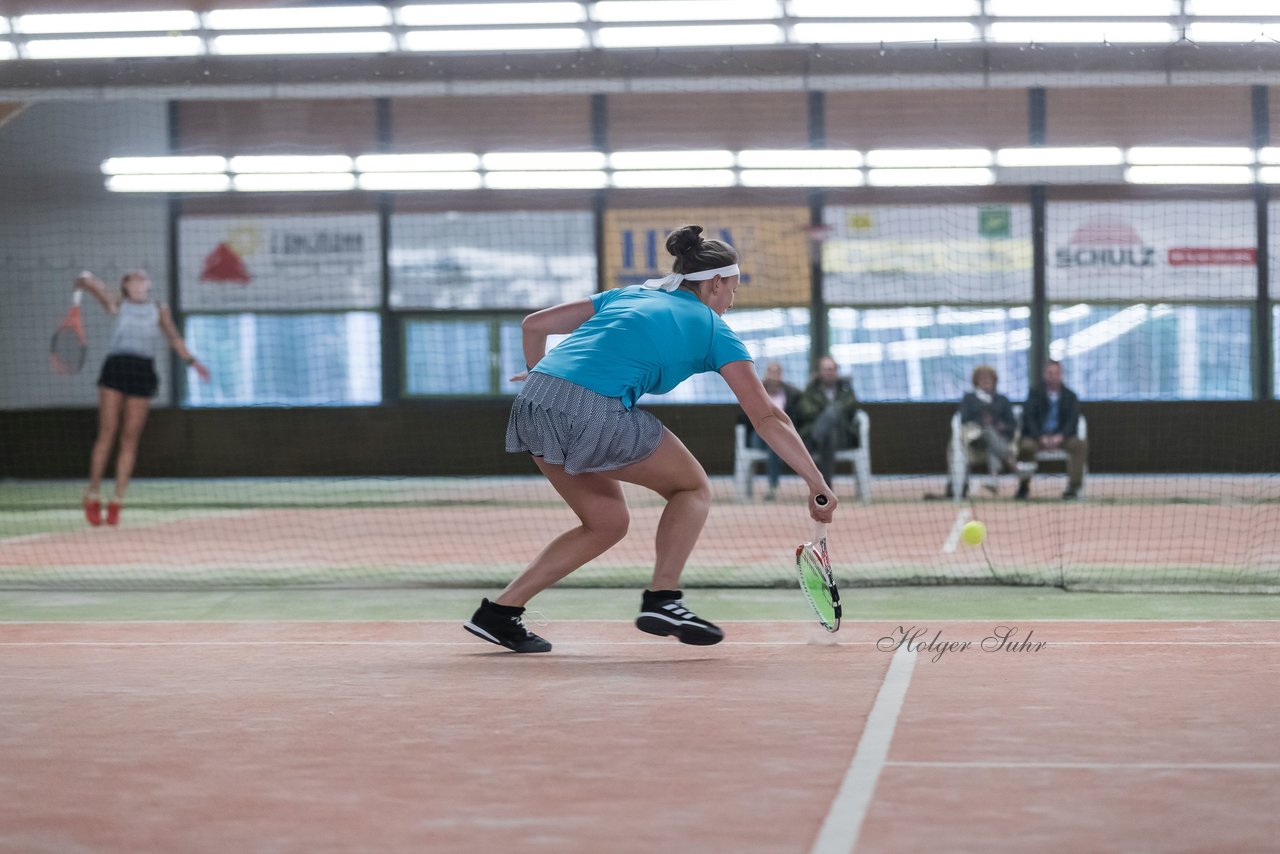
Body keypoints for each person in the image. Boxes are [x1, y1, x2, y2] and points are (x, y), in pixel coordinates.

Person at [465, 225, 838, 653]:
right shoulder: (714, 329)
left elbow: (535, 325)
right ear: (715, 283)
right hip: (590, 408)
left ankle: (500, 613)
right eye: (732, 289)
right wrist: (816, 482)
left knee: (606, 523)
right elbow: (768, 415)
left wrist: (541, 374)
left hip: (532, 402)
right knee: (691, 486)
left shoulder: (628, 294)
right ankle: (664, 598)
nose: (732, 300)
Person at [74, 270, 209, 526]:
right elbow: (96, 286)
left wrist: (192, 362)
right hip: (116, 368)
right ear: (126, 286)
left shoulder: (159, 309)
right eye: (131, 280)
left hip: (142, 371)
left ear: (148, 284)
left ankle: (116, 501)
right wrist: (86, 280)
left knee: (129, 439)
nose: (137, 283)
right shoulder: (118, 303)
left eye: (141, 279)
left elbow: (173, 337)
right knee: (107, 432)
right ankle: (92, 494)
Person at [1017, 360, 1088, 500]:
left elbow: (1073, 420)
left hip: (1062, 438)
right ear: (1045, 375)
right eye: (1050, 373)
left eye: (1056, 373)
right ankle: (1023, 486)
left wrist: (1061, 436)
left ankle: (1073, 488)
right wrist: (1040, 437)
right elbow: (1028, 418)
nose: (1053, 376)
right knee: (1025, 446)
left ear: (1061, 375)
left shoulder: (1070, 396)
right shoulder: (1035, 394)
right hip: (1037, 438)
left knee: (1080, 444)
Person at [736, 361, 802, 501]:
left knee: (775, 442)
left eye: (776, 372)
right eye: (770, 371)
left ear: (781, 375)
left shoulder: (792, 393)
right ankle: (773, 485)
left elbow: (797, 417)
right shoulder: (755, 391)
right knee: (774, 440)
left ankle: (772, 487)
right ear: (765, 374)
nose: (773, 375)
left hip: (782, 436)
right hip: (758, 435)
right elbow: (742, 417)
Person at [950, 364, 1019, 496]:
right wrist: (981, 423)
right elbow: (963, 419)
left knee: (991, 443)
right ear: (976, 380)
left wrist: (1001, 426)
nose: (986, 380)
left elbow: (1012, 424)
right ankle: (1011, 461)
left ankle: (994, 481)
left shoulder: (1002, 400)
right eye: (982, 378)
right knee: (987, 431)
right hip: (975, 439)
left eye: (989, 377)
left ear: (995, 380)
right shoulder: (969, 398)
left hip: (999, 439)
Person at [794, 355, 860, 488]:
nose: (829, 372)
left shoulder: (846, 389)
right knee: (829, 433)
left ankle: (812, 442)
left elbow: (850, 406)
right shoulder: (810, 390)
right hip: (825, 437)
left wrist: (829, 412)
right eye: (825, 369)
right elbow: (805, 410)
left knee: (833, 411)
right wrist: (826, 415)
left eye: (832, 369)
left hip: (843, 437)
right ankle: (827, 486)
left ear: (836, 371)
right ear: (819, 372)